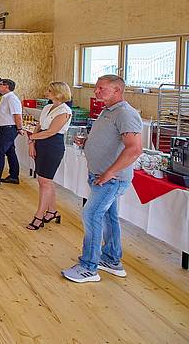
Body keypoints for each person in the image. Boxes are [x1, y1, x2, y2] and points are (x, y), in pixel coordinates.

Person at [62, 75, 142, 283]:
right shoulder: (108, 111)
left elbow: (134, 149)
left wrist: (110, 172)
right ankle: (112, 260)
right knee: (108, 217)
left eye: (101, 88)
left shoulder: (125, 113)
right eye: (96, 88)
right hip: (100, 176)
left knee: (91, 215)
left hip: (110, 180)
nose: (96, 92)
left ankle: (88, 267)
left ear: (117, 91)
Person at [26, 82, 72, 230]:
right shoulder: (47, 107)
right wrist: (32, 142)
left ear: (58, 93)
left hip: (53, 146)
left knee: (45, 181)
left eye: (49, 90)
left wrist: (33, 137)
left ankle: (39, 216)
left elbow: (51, 132)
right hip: (41, 143)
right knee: (44, 181)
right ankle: (52, 211)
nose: (46, 92)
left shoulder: (64, 111)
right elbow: (39, 126)